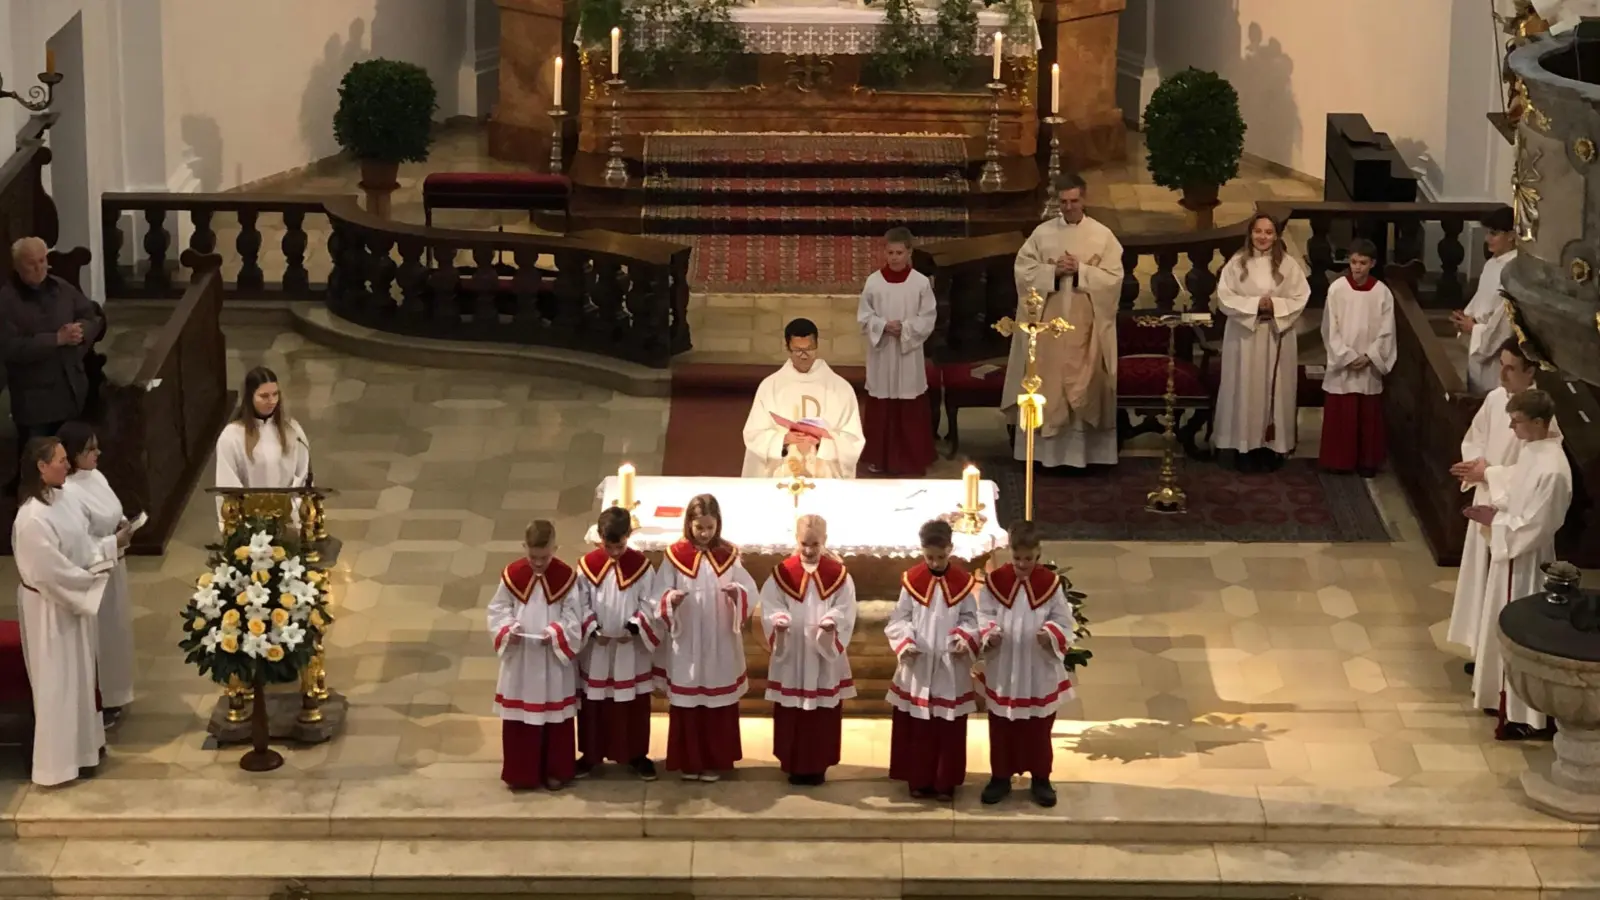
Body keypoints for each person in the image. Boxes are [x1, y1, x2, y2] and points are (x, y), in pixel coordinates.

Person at [1463, 389, 1570, 741]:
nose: (1511, 427)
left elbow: (1538, 525)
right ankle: (1499, 696)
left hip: (1525, 563)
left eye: (1517, 421)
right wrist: (1493, 507)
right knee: (1500, 623)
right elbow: (1515, 494)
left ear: (1539, 423)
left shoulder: (1554, 469)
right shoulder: (1533, 450)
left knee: (1520, 632)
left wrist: (1496, 524)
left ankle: (1524, 713)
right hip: (1509, 554)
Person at [1446, 339, 1560, 668]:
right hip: (1486, 498)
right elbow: (1476, 436)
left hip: (1512, 514)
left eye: (1511, 368)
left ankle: (1502, 659)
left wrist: (1490, 472)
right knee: (1483, 582)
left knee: (1504, 588)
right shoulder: (1496, 400)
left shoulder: (1543, 416)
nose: (1502, 374)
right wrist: (1476, 465)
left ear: (1531, 371)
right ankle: (1483, 654)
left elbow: (1535, 472)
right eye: (1501, 364)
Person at [12, 436, 116, 786]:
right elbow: (48, 571)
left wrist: (107, 551)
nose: (67, 464)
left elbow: (82, 542)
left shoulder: (64, 497)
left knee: (82, 679)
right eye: (59, 460)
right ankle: (56, 767)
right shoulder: (31, 518)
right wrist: (90, 579)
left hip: (72, 601)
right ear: (41, 468)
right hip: (49, 609)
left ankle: (85, 752)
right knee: (58, 683)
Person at [1005, 173, 1127, 470]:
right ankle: (1044, 455)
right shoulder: (1042, 234)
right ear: (1056, 201)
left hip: (1086, 325)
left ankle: (1085, 455)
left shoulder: (1103, 235)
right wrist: (1052, 273)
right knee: (1049, 383)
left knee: (1083, 383)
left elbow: (1114, 279)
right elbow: (1023, 271)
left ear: (1084, 199)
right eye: (1063, 202)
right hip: (1049, 326)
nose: (1069, 207)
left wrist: (1082, 270)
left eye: (1074, 201)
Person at [654, 494, 758, 782]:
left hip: (719, 636)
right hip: (687, 637)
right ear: (689, 524)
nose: (705, 533)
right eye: (699, 527)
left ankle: (715, 760)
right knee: (689, 699)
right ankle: (689, 760)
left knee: (717, 699)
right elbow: (658, 592)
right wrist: (670, 600)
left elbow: (749, 588)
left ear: (718, 524)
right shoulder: (674, 555)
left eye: (710, 527)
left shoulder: (730, 554)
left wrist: (738, 594)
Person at [975, 521, 1075, 808]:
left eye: (1028, 559)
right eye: (1017, 558)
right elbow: (984, 613)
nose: (1022, 565)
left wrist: (1052, 634)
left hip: (1037, 668)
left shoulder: (1049, 585)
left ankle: (1041, 778)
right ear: (1010, 552)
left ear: (1038, 554)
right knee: (1002, 725)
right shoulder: (996, 583)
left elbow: (1064, 619)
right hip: (1004, 665)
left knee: (1038, 726)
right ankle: (1000, 777)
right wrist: (989, 633)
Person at [488, 520, 592, 790]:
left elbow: (574, 615)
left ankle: (556, 770)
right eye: (532, 556)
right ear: (524, 548)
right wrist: (508, 628)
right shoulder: (512, 575)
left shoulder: (566, 578)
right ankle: (521, 773)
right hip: (521, 658)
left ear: (554, 549)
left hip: (552, 660)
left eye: (544, 557)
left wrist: (557, 633)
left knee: (554, 717)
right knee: (521, 719)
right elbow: (498, 609)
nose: (537, 563)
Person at [759, 514, 858, 786]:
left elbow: (846, 608)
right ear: (796, 540)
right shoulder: (783, 572)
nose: (809, 549)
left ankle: (818, 765)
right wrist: (778, 620)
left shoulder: (838, 575)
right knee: (792, 712)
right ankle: (792, 763)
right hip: (793, 653)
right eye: (804, 543)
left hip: (821, 655)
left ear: (824, 541)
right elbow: (771, 603)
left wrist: (832, 622)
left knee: (821, 715)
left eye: (815, 543)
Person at [885, 519, 979, 801]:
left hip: (950, 665)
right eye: (930, 557)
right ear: (922, 551)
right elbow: (899, 618)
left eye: (941, 556)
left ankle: (944, 781)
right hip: (920, 662)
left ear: (951, 549)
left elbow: (972, 619)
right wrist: (906, 642)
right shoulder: (912, 580)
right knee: (920, 727)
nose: (936, 563)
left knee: (947, 728)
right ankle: (919, 779)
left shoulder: (963, 583)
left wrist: (965, 637)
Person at [1215, 213, 1312, 472]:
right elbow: (1224, 298)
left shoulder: (1289, 266)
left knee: (1275, 389)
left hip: (1275, 335)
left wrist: (1275, 306)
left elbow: (1301, 296)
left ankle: (1273, 446)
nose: (1263, 237)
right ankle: (1242, 446)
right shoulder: (1236, 264)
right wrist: (1256, 304)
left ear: (1276, 236)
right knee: (1244, 388)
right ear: (1250, 234)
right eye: (1258, 231)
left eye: (1269, 232)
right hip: (1245, 338)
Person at [57, 422, 136, 725]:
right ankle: (102, 699)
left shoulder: (96, 476)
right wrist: (112, 542)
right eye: (90, 449)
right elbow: (78, 542)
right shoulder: (69, 493)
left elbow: (112, 511)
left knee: (116, 630)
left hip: (115, 566)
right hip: (94, 571)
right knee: (100, 635)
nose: (97, 453)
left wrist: (123, 525)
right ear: (75, 455)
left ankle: (118, 691)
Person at [575, 506, 660, 781]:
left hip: (629, 650)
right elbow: (578, 603)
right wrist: (592, 628)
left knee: (632, 702)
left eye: (620, 545)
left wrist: (635, 627)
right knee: (594, 704)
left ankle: (636, 755)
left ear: (628, 535)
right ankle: (590, 755)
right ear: (600, 536)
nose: (614, 553)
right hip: (597, 650)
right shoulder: (587, 566)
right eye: (609, 546)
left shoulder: (642, 568)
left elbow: (650, 602)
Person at [0, 237, 104, 445]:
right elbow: (11, 348)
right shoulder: (8, 300)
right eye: (31, 263)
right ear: (18, 266)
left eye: (42, 260)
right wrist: (56, 339)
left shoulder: (62, 288)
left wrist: (81, 331)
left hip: (72, 391)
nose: (39, 268)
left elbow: (93, 316)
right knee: (40, 463)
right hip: (35, 402)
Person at [857, 228, 938, 476]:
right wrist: (882, 326)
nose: (894, 258)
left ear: (909, 252)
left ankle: (911, 458)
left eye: (899, 252)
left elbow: (928, 317)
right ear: (884, 252)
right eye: (890, 252)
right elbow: (863, 316)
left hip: (908, 353)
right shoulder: (873, 282)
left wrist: (905, 328)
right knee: (882, 403)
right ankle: (878, 458)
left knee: (909, 401)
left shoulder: (921, 283)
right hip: (882, 352)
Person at [742, 318, 866, 479]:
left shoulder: (840, 388)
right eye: (797, 350)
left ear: (817, 346)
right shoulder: (770, 386)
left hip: (824, 473)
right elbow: (753, 434)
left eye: (809, 349)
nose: (804, 356)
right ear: (787, 348)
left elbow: (853, 439)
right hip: (782, 472)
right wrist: (783, 440)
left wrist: (822, 443)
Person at [1318, 239, 1397, 477]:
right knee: (1342, 411)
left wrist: (1370, 356)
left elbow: (1387, 330)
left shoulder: (1382, 292)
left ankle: (1367, 461)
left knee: (1367, 414)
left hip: (1368, 363)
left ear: (1372, 263)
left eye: (1362, 263)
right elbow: (1330, 327)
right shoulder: (1337, 289)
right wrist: (1346, 355)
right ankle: (1339, 461)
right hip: (1344, 362)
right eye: (1353, 262)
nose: (1357, 267)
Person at [215, 366, 311, 508]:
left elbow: (303, 476)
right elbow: (227, 482)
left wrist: (293, 509)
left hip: (288, 516)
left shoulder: (293, 430)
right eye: (264, 396)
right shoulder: (232, 436)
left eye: (275, 394)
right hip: (249, 521)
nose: (272, 401)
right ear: (250, 397)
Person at [1452, 207, 1518, 396]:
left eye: (1494, 233)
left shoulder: (1513, 271)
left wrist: (1474, 329)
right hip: (1479, 340)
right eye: (1487, 232)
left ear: (1512, 235)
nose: (1487, 239)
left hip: (1496, 352)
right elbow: (1481, 300)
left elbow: (1505, 319)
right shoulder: (1492, 264)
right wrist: (1465, 317)